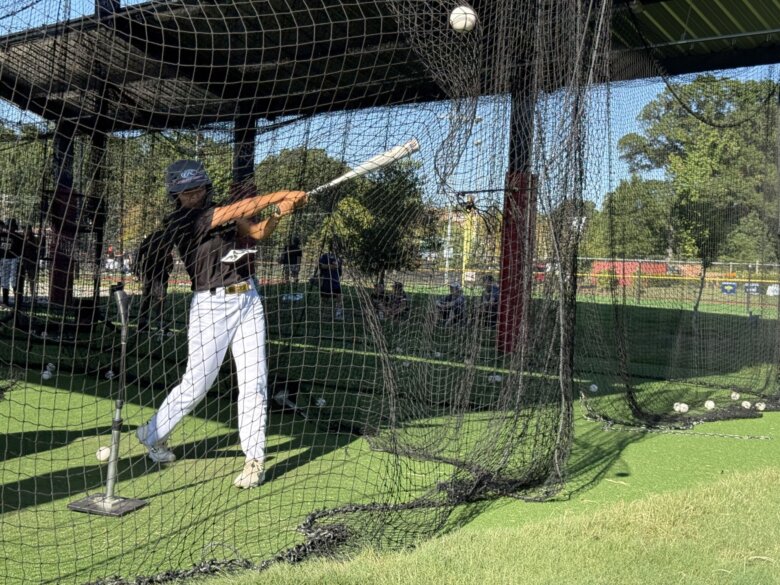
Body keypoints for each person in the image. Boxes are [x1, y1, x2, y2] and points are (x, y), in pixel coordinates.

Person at [135, 159, 307, 489]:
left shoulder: (223, 209)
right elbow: (237, 210)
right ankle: (152, 434)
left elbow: (257, 232)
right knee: (197, 384)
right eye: (185, 190)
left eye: (197, 187)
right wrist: (283, 194)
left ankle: (254, 458)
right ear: (176, 194)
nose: (193, 194)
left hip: (248, 298)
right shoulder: (184, 220)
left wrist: (282, 211)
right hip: (211, 305)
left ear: (206, 186)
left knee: (255, 381)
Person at [134, 229, 175, 332]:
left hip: (149, 268)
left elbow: (140, 250)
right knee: (159, 297)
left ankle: (143, 324)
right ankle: (159, 324)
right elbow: (166, 253)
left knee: (147, 296)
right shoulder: (167, 236)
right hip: (157, 269)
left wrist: (136, 267)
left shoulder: (152, 235)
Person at [0, 219, 23, 308]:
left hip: (14, 259)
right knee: (5, 281)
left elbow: (21, 249)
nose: (10, 229)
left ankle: (16, 302)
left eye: (11, 227)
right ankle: (6, 302)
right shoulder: (2, 235)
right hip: (4, 260)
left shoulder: (18, 237)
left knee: (13, 281)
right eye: (8, 227)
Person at [318, 245, 343, 320]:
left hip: (335, 281)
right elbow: (320, 266)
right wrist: (330, 266)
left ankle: (338, 315)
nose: (336, 248)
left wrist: (338, 268)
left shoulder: (339, 258)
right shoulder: (325, 256)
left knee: (339, 297)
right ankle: (322, 314)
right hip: (326, 282)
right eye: (334, 246)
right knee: (324, 299)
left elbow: (340, 271)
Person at [16, 225, 39, 305]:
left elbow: (36, 248)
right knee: (22, 280)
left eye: (26, 229)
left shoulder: (34, 239)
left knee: (32, 280)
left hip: (32, 262)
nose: (25, 231)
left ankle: (33, 297)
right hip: (24, 261)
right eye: (24, 230)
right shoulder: (22, 239)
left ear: (29, 230)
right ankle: (22, 297)